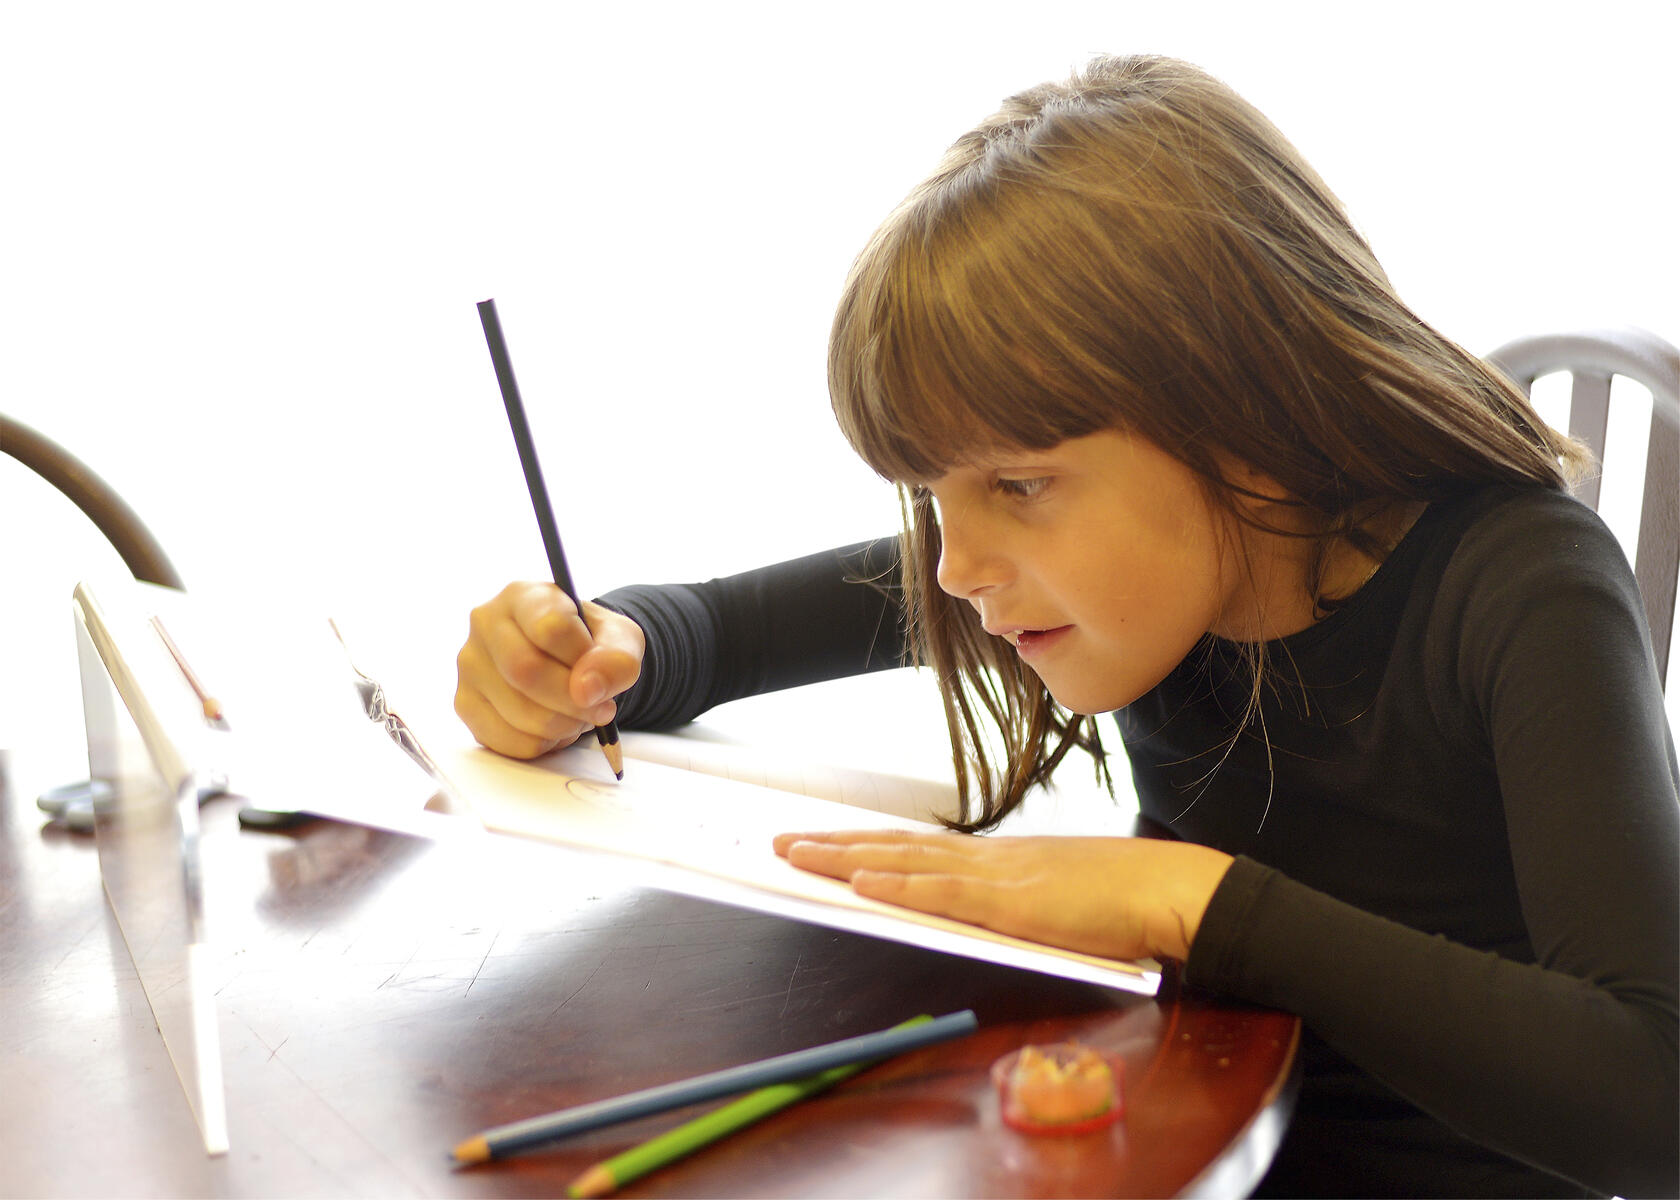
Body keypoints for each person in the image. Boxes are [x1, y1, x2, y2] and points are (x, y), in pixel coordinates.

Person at [453, 55, 1678, 1197]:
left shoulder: (1522, 584)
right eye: (933, 497)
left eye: (1018, 484)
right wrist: (597, 655)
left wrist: (1189, 899)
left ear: (1234, 411)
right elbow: (721, 632)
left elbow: (1656, 1092)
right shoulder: (1131, 570)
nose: (956, 568)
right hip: (1167, 1132)